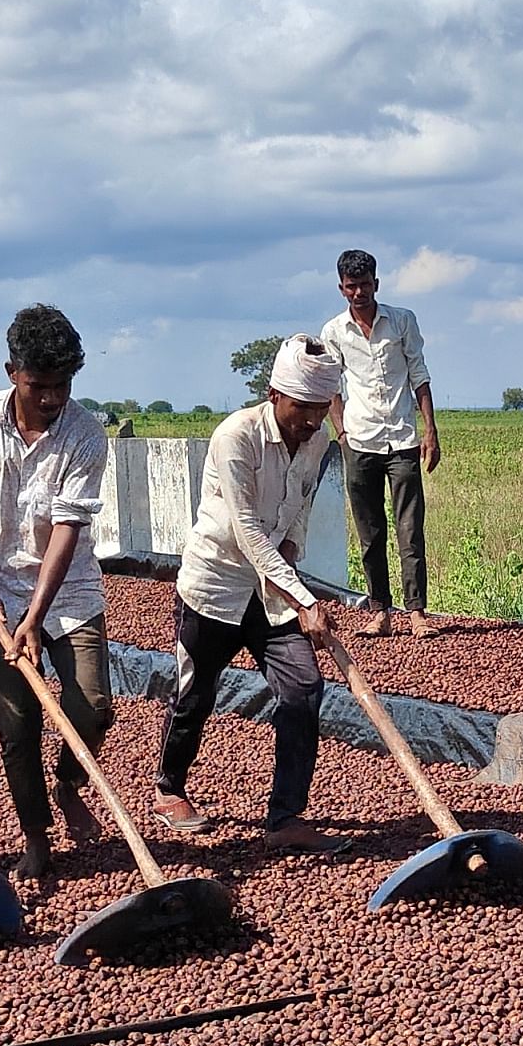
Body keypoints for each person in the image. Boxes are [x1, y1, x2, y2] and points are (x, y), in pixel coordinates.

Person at [0, 304, 113, 895]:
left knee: (92, 705)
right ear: (13, 372)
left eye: (64, 385)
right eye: (40, 385)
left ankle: (69, 784)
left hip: (70, 592)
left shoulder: (85, 431)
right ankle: (36, 835)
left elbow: (67, 527)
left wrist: (36, 616)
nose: (53, 398)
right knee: (17, 725)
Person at [151, 336, 345, 846]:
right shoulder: (236, 436)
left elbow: (298, 507)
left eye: (321, 410)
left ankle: (285, 819)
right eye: (303, 408)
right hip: (215, 583)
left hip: (271, 590)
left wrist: (293, 559)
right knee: (195, 692)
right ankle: (170, 790)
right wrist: (304, 599)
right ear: (274, 393)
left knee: (303, 688)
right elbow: (246, 530)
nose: (311, 421)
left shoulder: (320, 442)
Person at [322, 248, 439, 637]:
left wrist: (430, 431)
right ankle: (380, 612)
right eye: (352, 286)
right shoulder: (334, 331)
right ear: (341, 288)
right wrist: (341, 433)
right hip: (360, 440)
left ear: (377, 283)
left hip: (402, 439)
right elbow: (331, 387)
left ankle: (417, 612)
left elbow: (419, 375)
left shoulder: (402, 321)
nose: (360, 293)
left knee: (410, 528)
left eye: (365, 285)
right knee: (370, 531)